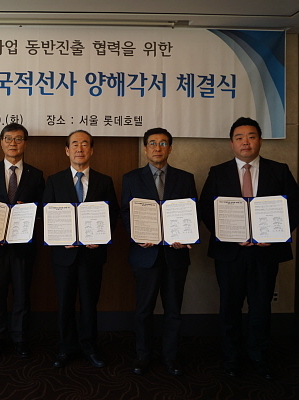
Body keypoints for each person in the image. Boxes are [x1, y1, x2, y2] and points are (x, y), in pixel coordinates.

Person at [199, 117, 299, 379]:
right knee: (229, 306)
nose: (246, 142)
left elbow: (294, 208)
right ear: (231, 143)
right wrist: (227, 234)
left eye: (251, 136)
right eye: (239, 137)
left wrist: (277, 235)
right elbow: (206, 209)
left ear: (260, 141)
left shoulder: (279, 170)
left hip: (266, 252)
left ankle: (259, 355)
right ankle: (231, 356)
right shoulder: (218, 172)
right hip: (230, 253)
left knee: (261, 306)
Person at [121, 128, 197, 376]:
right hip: (145, 255)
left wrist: (186, 236)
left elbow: (191, 213)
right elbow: (125, 213)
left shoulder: (185, 178)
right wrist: (137, 234)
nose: (157, 147)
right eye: (152, 143)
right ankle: (143, 355)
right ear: (145, 149)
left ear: (170, 148)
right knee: (143, 310)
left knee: (173, 310)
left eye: (163, 143)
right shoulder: (131, 178)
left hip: (175, 255)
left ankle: (170, 356)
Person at [42, 129, 119, 368]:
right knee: (64, 303)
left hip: (92, 254)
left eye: (85, 144)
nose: (79, 148)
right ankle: (65, 347)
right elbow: (46, 215)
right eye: (74, 144)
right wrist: (58, 238)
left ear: (91, 150)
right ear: (67, 150)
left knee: (89, 303)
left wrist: (102, 237)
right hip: (63, 254)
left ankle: (89, 346)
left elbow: (113, 214)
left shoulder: (104, 181)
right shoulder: (54, 180)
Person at [0, 123, 45, 359]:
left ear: (25, 143)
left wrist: (30, 209)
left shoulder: (36, 174)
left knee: (22, 294)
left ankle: (20, 338)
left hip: (23, 246)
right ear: (1, 142)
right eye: (8, 138)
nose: (13, 143)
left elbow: (44, 209)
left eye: (18, 139)